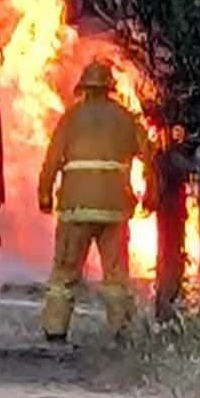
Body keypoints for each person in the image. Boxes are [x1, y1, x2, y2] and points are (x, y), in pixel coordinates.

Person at [37, 59, 157, 345]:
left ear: (84, 89)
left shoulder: (70, 118)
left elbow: (52, 161)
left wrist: (44, 194)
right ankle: (121, 330)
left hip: (75, 209)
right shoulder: (126, 119)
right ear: (109, 89)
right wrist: (152, 193)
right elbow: (151, 159)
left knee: (65, 272)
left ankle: (55, 330)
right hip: (114, 209)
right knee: (116, 276)